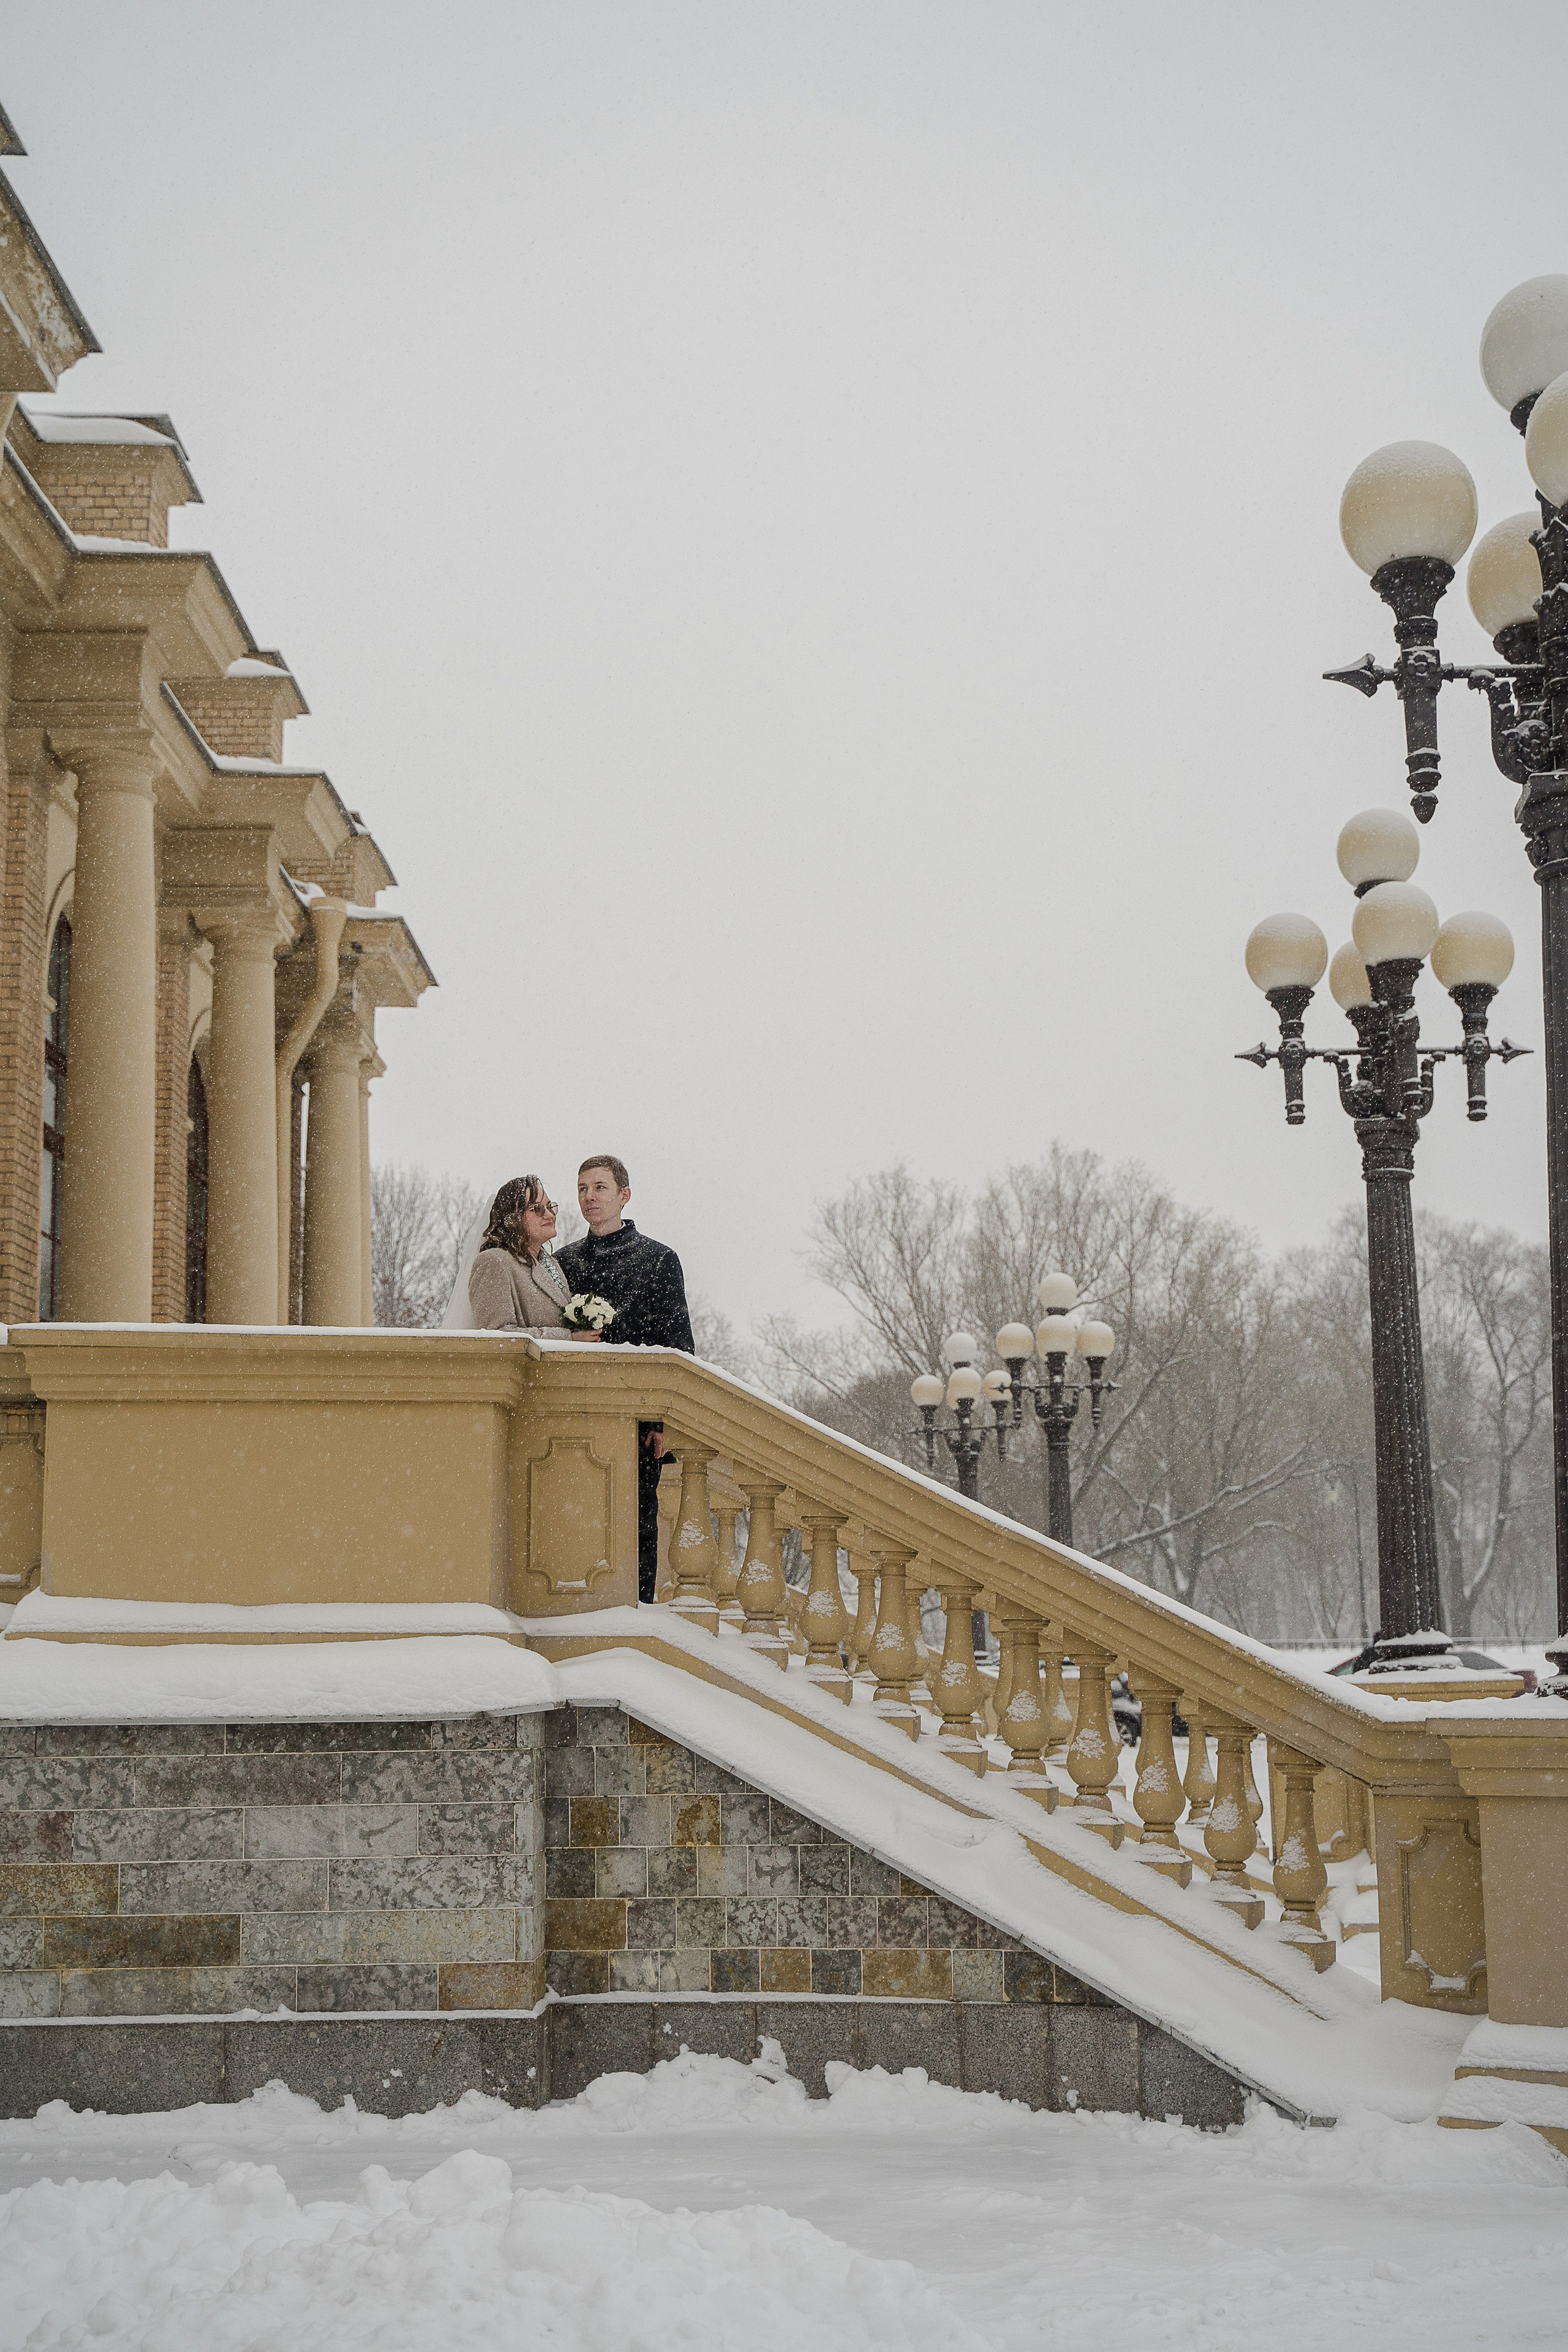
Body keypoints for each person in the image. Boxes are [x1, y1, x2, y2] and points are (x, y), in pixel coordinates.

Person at [554, 1155, 693, 1600]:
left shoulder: (659, 1260)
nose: (589, 1197)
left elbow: (678, 1348)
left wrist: (667, 1422)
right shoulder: (562, 1263)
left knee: (637, 1517)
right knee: (573, 1516)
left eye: (599, 1188)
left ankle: (638, 1606)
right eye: (582, 1189)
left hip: (636, 1420)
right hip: (569, 1415)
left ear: (624, 1196)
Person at [467, 1175, 592, 1336]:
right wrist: (569, 1338)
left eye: (550, 1207)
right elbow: (497, 1337)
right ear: (513, 1217)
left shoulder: (551, 1264)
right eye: (537, 1209)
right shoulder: (494, 1262)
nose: (549, 1215)